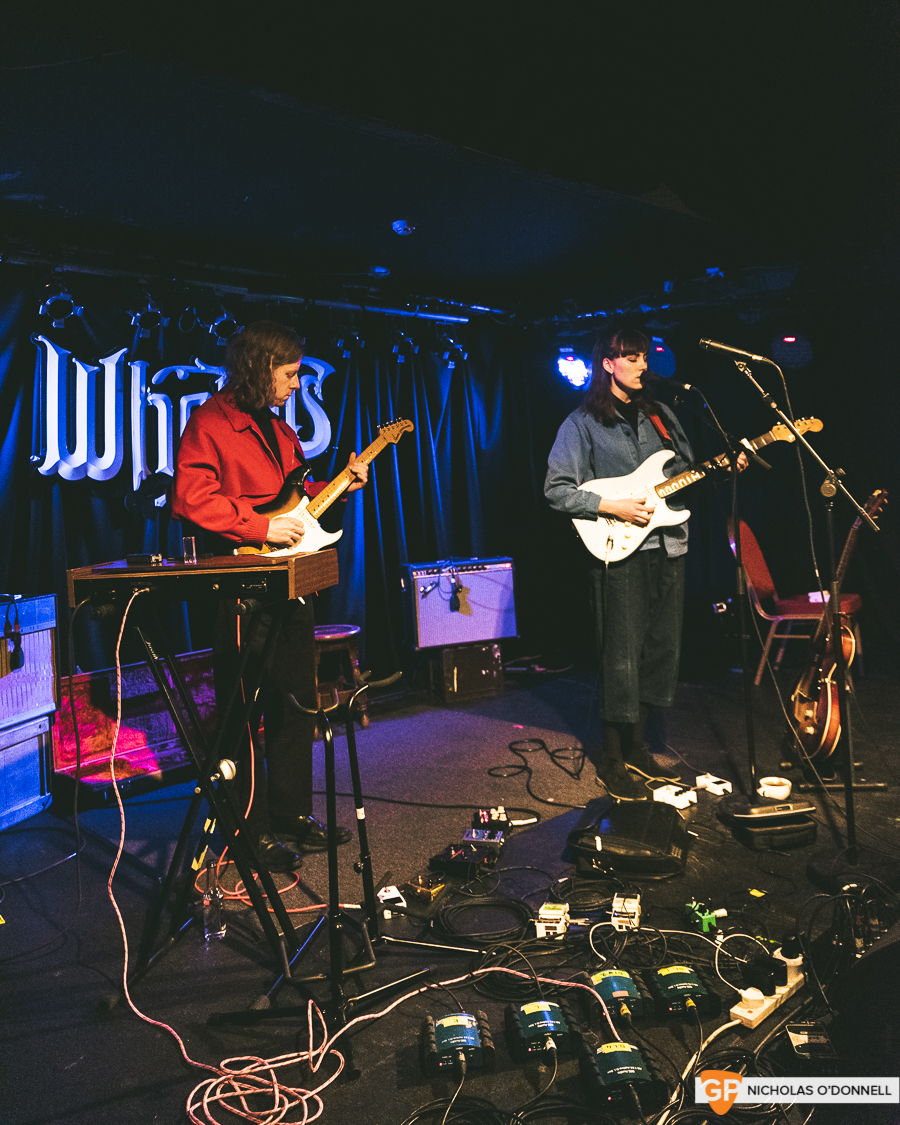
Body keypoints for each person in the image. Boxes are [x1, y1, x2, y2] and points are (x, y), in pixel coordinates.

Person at [172, 320, 368, 870]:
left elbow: (296, 502)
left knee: (296, 700)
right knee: (243, 709)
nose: (296, 383)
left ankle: (289, 814)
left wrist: (337, 489)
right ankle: (247, 830)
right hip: (240, 585)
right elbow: (191, 498)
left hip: (290, 581)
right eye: (289, 373)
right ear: (260, 368)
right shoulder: (210, 422)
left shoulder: (279, 430)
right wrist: (259, 529)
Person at [545, 327, 743, 801]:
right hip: (617, 550)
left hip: (668, 546)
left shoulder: (663, 415)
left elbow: (684, 476)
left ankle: (640, 748)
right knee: (620, 653)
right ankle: (612, 758)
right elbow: (557, 489)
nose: (641, 364)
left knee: (660, 650)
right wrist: (611, 506)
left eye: (643, 357)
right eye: (630, 357)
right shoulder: (581, 423)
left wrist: (721, 468)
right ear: (608, 364)